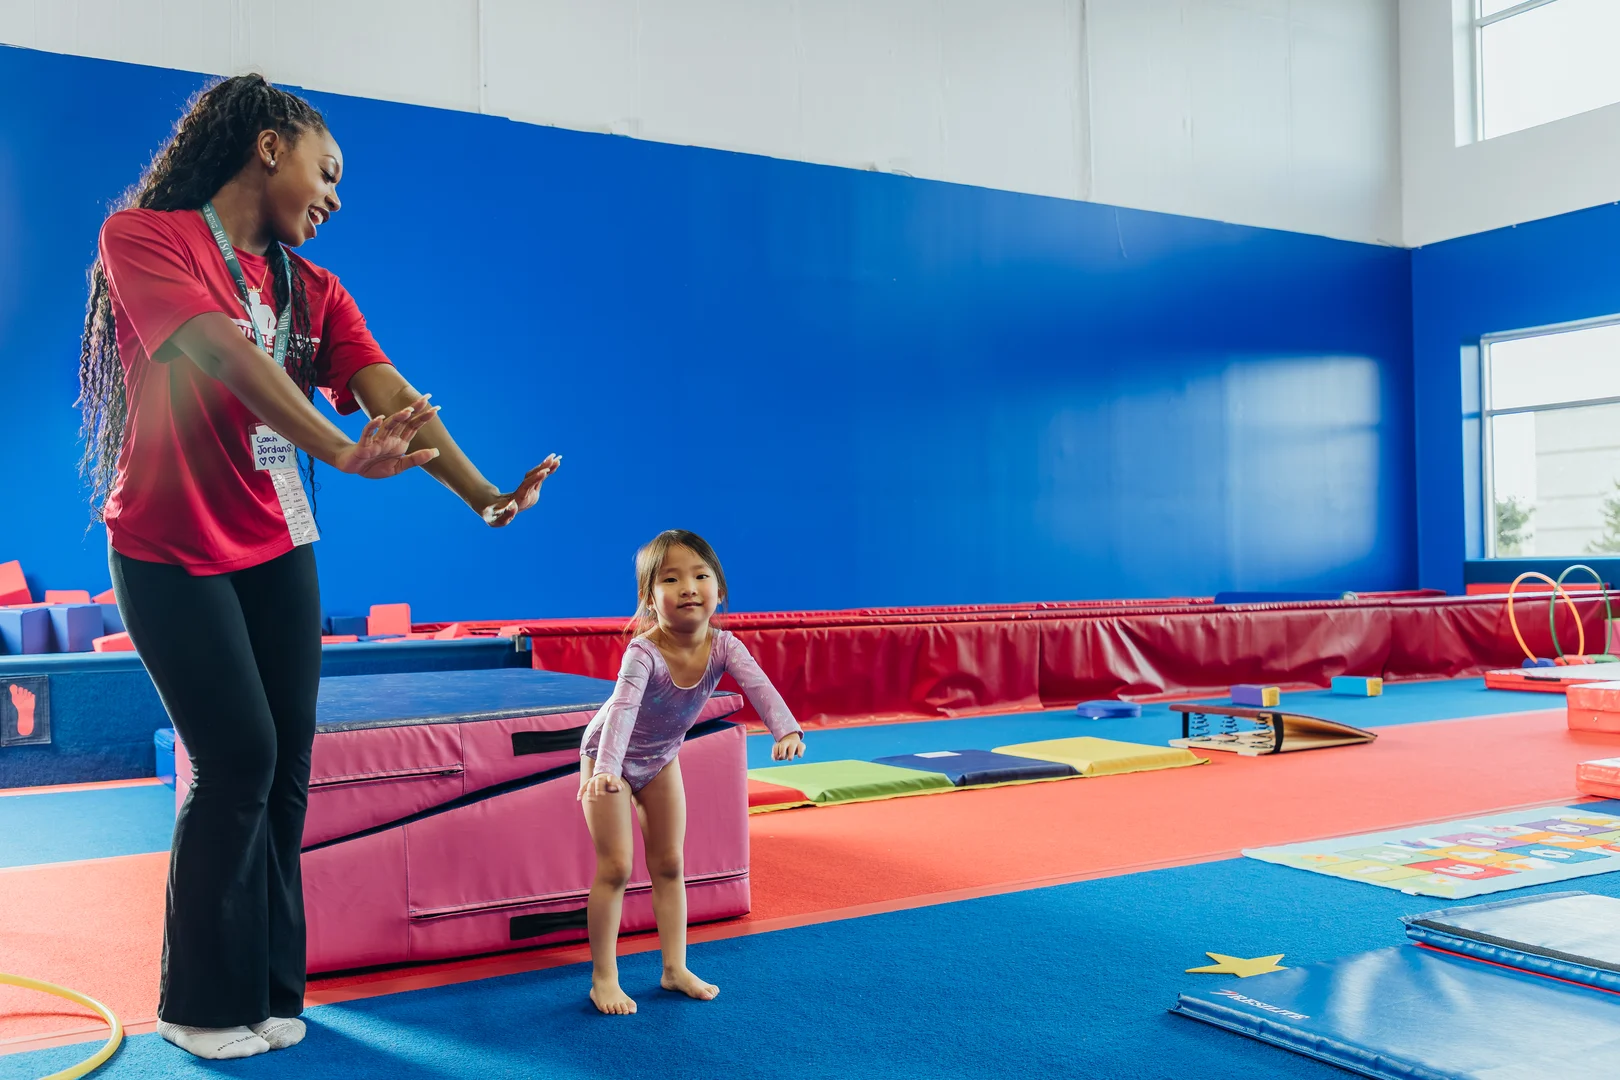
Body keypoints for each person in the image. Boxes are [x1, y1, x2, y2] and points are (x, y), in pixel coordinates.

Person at [76, 74, 561, 1060]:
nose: (334, 196)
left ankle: (267, 989)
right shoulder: (145, 238)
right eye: (326, 171)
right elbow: (217, 351)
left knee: (289, 769)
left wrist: (486, 497)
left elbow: (393, 400)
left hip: (277, 546)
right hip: (169, 550)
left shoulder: (315, 290)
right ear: (268, 146)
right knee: (237, 757)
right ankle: (199, 1004)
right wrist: (339, 450)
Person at [577, 529, 805, 1015]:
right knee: (616, 867)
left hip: (660, 756)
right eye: (671, 578)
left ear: (719, 590)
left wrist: (785, 729)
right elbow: (621, 709)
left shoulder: (724, 647)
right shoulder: (642, 653)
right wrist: (607, 770)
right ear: (649, 598)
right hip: (606, 758)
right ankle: (603, 977)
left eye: (701, 576)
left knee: (670, 864)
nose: (688, 587)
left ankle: (675, 967)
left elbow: (759, 687)